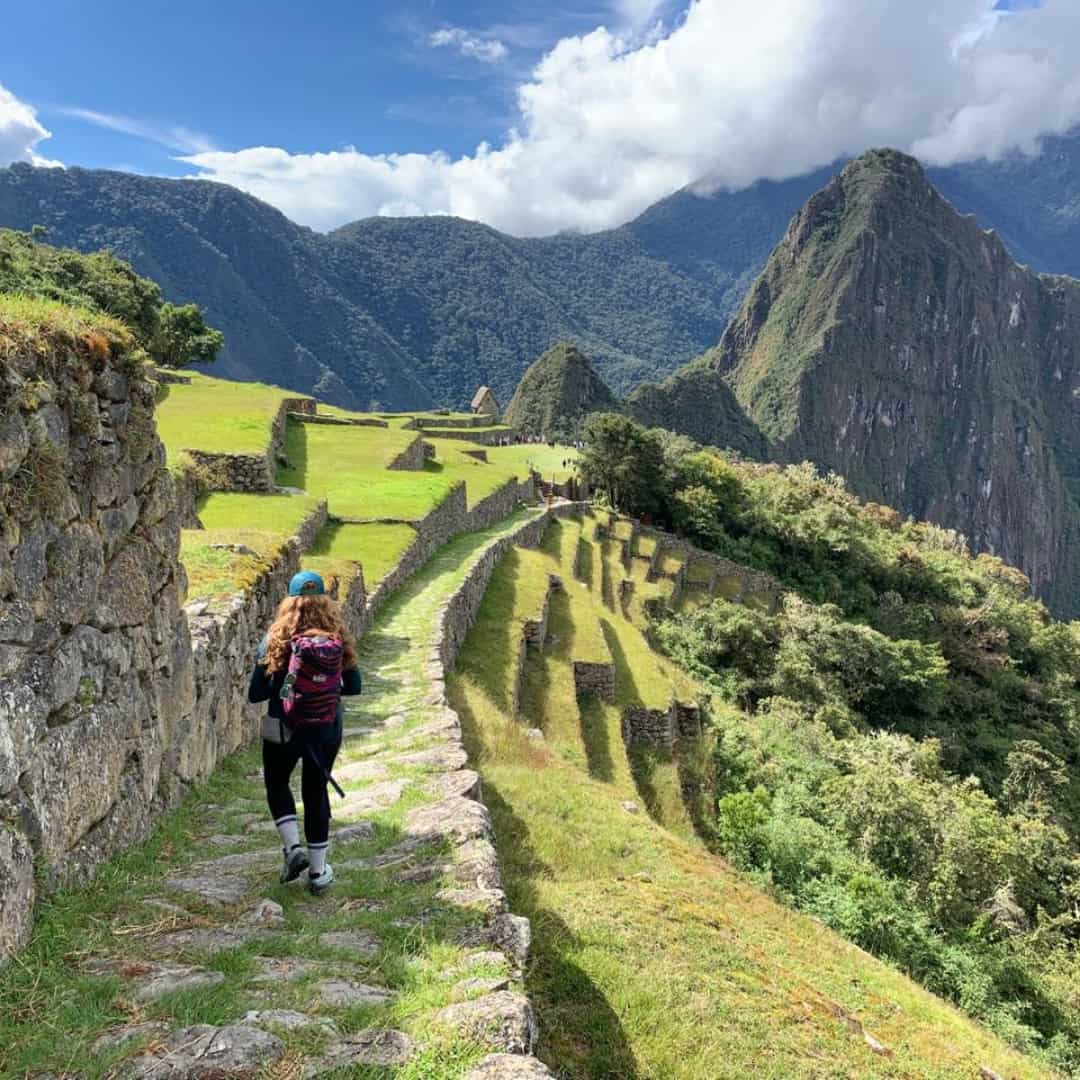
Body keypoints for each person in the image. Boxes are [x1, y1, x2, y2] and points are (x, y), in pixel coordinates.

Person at [248, 570, 362, 895]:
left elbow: (255, 694)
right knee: (315, 791)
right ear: (325, 602)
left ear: (290, 601)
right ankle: (318, 872)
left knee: (277, 782)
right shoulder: (337, 639)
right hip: (326, 728)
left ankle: (292, 848)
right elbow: (354, 686)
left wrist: (283, 683)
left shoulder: (275, 640)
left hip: (283, 728)